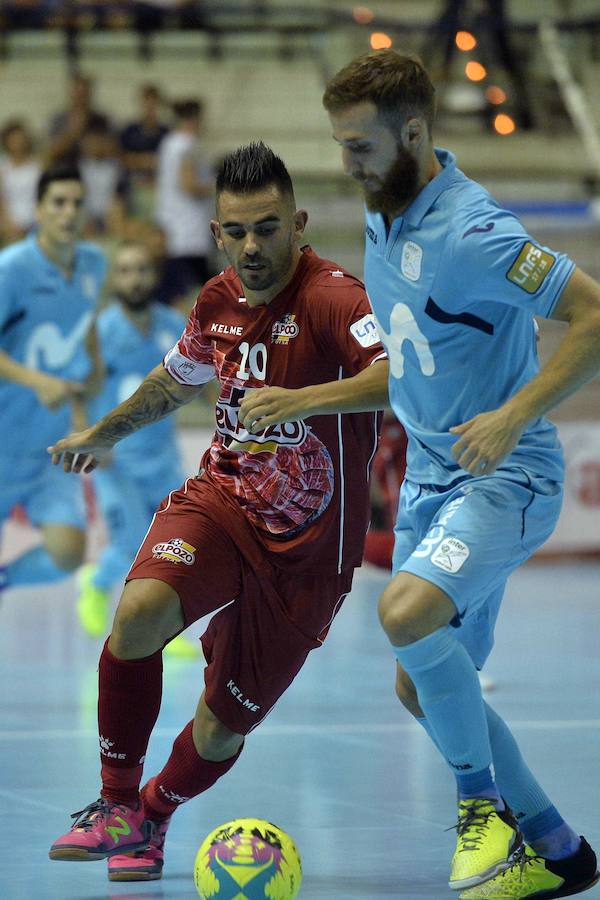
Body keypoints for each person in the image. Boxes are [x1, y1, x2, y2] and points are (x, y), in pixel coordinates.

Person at [47, 142, 388, 882]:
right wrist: (101, 435)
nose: (251, 247)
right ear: (215, 233)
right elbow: (176, 381)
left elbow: (395, 379)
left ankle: (152, 815)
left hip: (310, 555)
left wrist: (298, 402)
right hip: (222, 504)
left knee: (222, 723)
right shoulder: (217, 300)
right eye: (235, 232)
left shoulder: (336, 298)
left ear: (297, 224)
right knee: (137, 611)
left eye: (267, 228)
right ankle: (113, 804)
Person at [323, 49, 600, 899]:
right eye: (342, 145)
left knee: (404, 615)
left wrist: (517, 412)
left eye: (362, 146)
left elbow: (593, 314)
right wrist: (302, 399)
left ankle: (480, 811)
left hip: (507, 473)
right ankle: (559, 848)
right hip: (432, 481)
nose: (350, 164)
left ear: (414, 132)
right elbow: (409, 365)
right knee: (421, 684)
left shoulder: (475, 233)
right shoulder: (386, 210)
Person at [77, 240, 198, 659]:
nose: (135, 278)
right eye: (125, 270)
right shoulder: (102, 332)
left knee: (172, 546)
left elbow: (200, 380)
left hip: (163, 460)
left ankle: (167, 630)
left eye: (142, 269)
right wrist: (94, 440)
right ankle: (95, 581)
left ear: (155, 275)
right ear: (114, 279)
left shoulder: (173, 324)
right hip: (117, 462)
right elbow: (80, 391)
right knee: (131, 542)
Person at [0, 164, 106, 594]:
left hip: (49, 446)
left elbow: (86, 324)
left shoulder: (94, 264)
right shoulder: (12, 268)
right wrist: (36, 380)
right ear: (39, 209)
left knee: (68, 552)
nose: (69, 212)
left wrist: (93, 372)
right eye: (58, 203)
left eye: (77, 203)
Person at [154, 98, 214, 308]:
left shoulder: (168, 143)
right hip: (189, 231)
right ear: (194, 119)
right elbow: (188, 185)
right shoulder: (187, 145)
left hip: (173, 227)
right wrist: (219, 185)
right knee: (193, 293)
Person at [0, 118, 41, 246]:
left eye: (20, 138)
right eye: (14, 139)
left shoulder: (38, 166)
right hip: (9, 224)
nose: (18, 142)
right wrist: (8, 224)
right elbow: (1, 200)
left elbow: (42, 196)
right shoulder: (2, 167)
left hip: (35, 222)